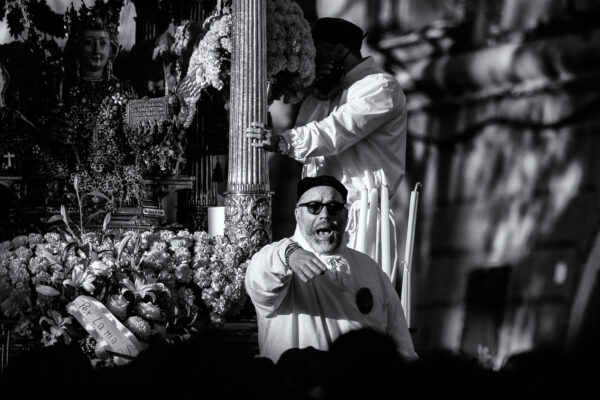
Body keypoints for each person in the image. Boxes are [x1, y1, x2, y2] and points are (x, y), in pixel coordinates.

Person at [247, 17, 407, 275]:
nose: (313, 57)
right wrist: (319, 93)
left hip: (356, 218)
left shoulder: (381, 86)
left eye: (317, 47)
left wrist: (283, 141)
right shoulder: (334, 89)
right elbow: (310, 145)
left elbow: (336, 131)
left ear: (339, 49)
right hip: (316, 213)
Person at [245, 175, 417, 363]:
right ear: (297, 214)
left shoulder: (370, 269)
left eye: (334, 207)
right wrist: (289, 253)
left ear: (346, 215)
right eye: (314, 207)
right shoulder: (280, 265)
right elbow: (258, 277)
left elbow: (401, 345)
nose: (325, 214)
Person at [46, 0, 140, 210]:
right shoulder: (62, 90)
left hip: (116, 190)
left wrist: (143, 133)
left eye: (103, 42)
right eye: (89, 42)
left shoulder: (124, 91)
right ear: (78, 47)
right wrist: (52, 133)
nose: (97, 49)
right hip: (71, 192)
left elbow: (137, 141)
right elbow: (43, 135)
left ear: (112, 48)